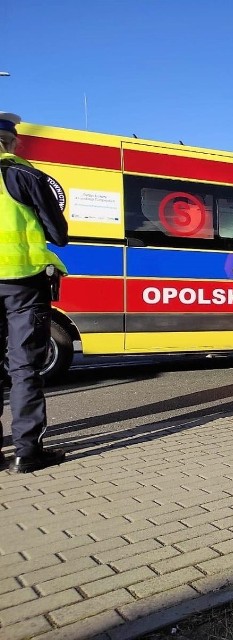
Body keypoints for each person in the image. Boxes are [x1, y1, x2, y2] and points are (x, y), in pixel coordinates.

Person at [0, 112, 69, 473]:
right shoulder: (23, 174)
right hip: (22, 283)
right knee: (24, 366)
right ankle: (27, 452)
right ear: (13, 142)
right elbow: (58, 233)